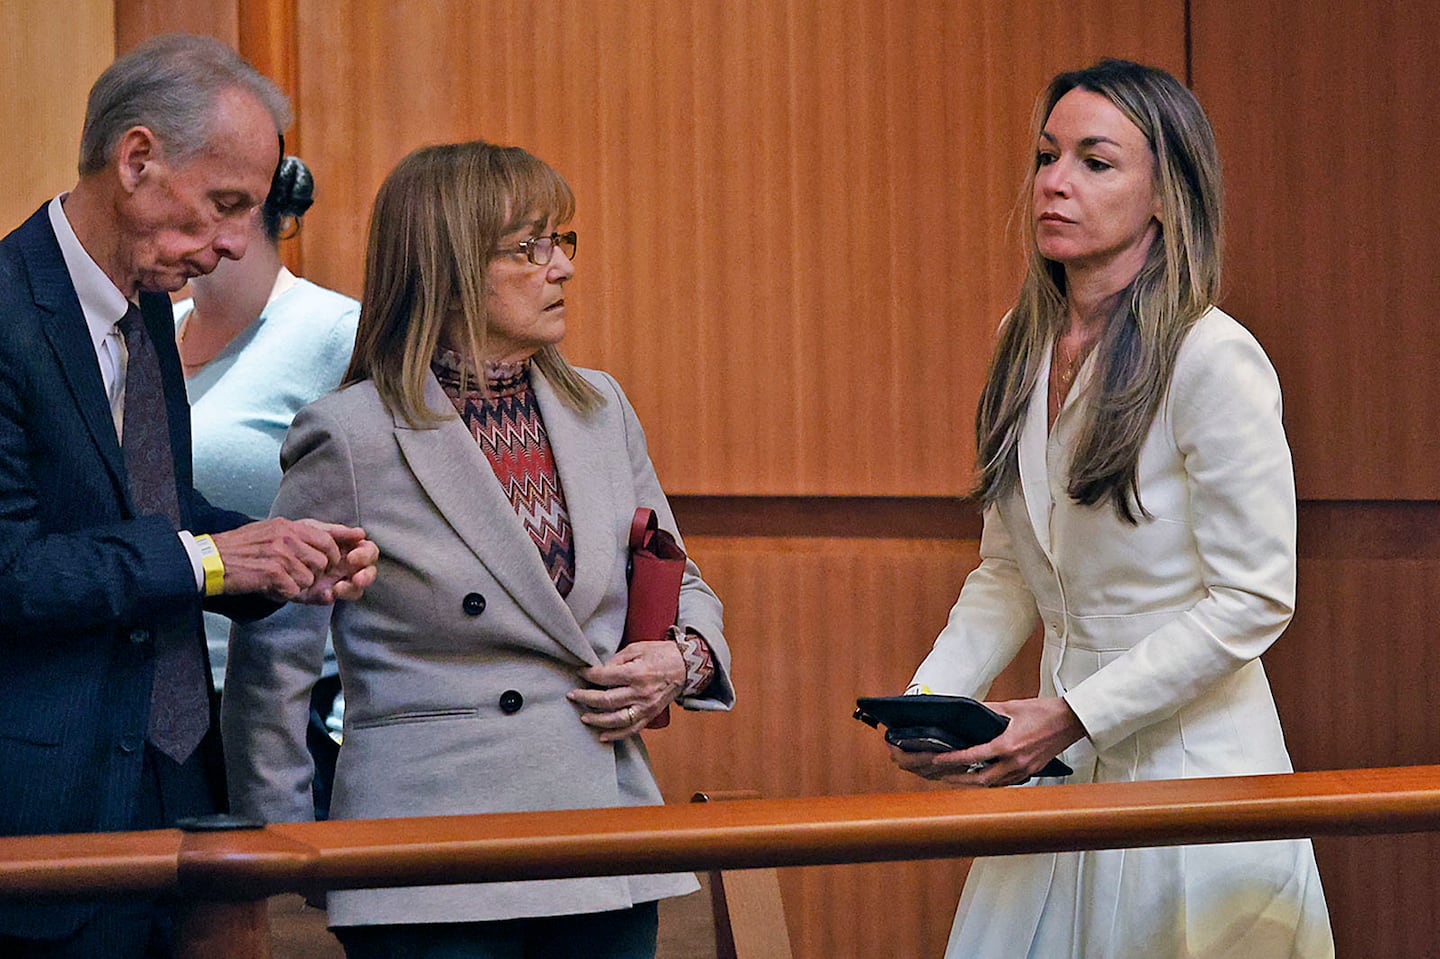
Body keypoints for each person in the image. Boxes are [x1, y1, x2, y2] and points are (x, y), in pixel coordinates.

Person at [223, 139, 733, 959]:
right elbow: (274, 664)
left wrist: (685, 658)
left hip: (602, 831)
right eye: (530, 248)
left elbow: (682, 575)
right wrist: (285, 848)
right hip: (427, 855)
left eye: (562, 241)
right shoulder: (351, 434)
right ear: (450, 266)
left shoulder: (602, 407)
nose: (560, 267)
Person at [891, 59, 1333, 958]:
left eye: (1096, 162)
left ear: (1166, 193)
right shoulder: (1023, 350)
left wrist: (1072, 714)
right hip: (1057, 758)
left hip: (1189, 763)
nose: (1055, 182)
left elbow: (1256, 597)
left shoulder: (1216, 357)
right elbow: (1010, 567)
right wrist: (932, 700)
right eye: (1048, 156)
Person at [0, 34, 378, 959]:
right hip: (47, 821)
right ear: (137, 161)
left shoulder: (145, 317)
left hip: (181, 800)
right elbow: (11, 571)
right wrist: (211, 557)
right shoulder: (6, 315)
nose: (238, 243)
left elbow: (152, 514)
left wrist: (279, 555)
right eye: (226, 204)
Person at [173, 155, 360, 815]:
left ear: (246, 211)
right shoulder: (154, 331)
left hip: (288, 694)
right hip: (162, 685)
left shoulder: (335, 332)